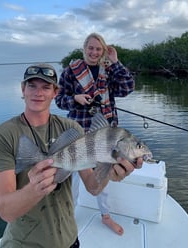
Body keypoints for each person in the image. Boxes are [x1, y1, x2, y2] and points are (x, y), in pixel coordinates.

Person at [0, 63, 142, 248]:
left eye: (46, 87)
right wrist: (34, 189)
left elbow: (93, 188)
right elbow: (6, 212)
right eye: (32, 86)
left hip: (69, 240)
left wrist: (109, 170)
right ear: (23, 89)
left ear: (55, 92)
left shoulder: (71, 128)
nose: (38, 93)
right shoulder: (3, 135)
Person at [55, 33, 135, 236]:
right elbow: (59, 99)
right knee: (70, 174)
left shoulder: (108, 70)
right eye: (90, 48)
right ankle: (68, 216)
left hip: (106, 132)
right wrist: (76, 98)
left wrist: (116, 62)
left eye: (98, 49)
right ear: (84, 48)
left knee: (104, 174)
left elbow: (127, 88)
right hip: (77, 130)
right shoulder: (70, 71)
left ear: (104, 51)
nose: (94, 52)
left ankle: (105, 216)